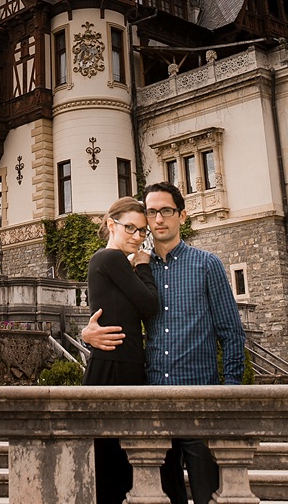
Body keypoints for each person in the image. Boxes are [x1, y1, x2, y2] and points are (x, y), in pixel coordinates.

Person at [82, 182, 245, 504]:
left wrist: (233, 394)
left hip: (200, 397)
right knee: (165, 498)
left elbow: (231, 332)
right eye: (151, 212)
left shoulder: (206, 264)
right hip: (153, 397)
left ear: (181, 215)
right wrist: (85, 335)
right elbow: (112, 313)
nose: (158, 220)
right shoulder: (135, 266)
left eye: (165, 211)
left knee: (206, 494)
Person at [83, 196, 159, 504]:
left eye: (143, 231)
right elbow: (151, 306)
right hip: (114, 367)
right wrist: (143, 266)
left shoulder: (112, 263)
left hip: (116, 362)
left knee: (114, 465)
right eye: (130, 228)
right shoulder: (110, 259)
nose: (138, 237)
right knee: (111, 467)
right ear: (112, 225)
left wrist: (86, 333)